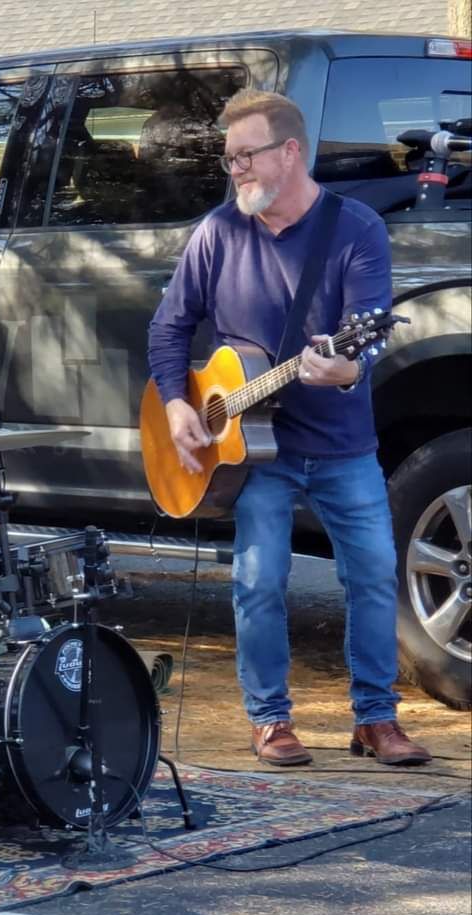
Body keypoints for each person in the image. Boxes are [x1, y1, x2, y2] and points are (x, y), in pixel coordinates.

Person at [148, 89, 431, 767]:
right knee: (259, 579)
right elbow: (169, 326)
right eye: (230, 159)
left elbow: (362, 339)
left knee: (370, 575)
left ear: (290, 152)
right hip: (254, 452)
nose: (236, 170)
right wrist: (178, 405)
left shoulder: (355, 228)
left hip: (340, 444)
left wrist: (344, 367)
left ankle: (375, 719)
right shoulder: (219, 231)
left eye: (246, 156)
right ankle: (270, 720)